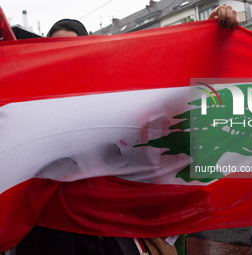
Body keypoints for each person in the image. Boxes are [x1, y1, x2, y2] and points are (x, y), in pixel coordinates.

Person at [9, 6, 240, 255]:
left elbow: (179, 94)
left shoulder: (114, 99)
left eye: (72, 50)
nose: (64, 58)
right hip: (47, 236)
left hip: (103, 236)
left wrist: (212, 39)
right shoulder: (26, 106)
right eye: (55, 50)